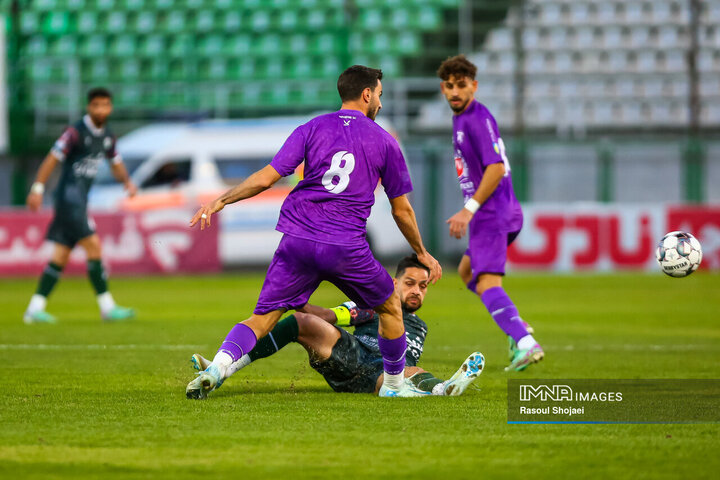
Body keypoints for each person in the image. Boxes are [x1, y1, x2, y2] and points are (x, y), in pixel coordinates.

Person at [186, 65, 442, 399]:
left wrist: (221, 199)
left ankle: (217, 368)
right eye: (379, 94)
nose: (380, 102)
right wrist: (421, 251)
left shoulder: (311, 127)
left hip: (299, 240)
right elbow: (401, 208)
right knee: (391, 308)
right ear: (367, 94)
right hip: (345, 246)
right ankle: (394, 387)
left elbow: (267, 176)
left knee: (262, 318)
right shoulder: (384, 140)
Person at [189, 255, 484, 397]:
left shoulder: (419, 325)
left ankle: (445, 389)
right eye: (410, 284)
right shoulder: (374, 305)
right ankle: (226, 367)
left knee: (413, 371)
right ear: (394, 284)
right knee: (300, 322)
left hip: (383, 377)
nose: (417, 291)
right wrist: (297, 301)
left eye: (422, 286)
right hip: (349, 354)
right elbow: (330, 316)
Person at [437, 55, 544, 371]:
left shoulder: (476, 118)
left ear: (474, 86)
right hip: (499, 211)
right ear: (443, 88)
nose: (455, 91)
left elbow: (495, 168)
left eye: (462, 85)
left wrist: (468, 210)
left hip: (491, 213)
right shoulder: (462, 117)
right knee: (468, 272)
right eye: (449, 85)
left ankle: (525, 342)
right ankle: (517, 326)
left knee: (487, 283)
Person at [23, 87, 137, 324]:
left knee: (60, 256)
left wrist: (127, 182)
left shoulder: (107, 136)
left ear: (110, 107)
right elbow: (52, 158)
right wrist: (37, 188)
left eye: (105, 105)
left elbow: (115, 162)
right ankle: (107, 307)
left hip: (79, 201)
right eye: (96, 105)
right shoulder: (75, 132)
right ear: (89, 107)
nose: (101, 109)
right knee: (94, 247)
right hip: (69, 199)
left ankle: (34, 309)